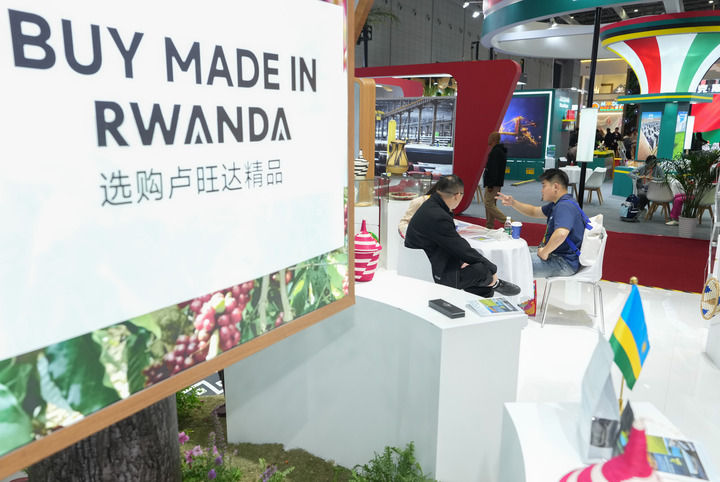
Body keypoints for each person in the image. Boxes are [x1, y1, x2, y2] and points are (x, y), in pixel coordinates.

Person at [405, 175, 521, 297]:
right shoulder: (438, 216)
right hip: (434, 267)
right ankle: (495, 283)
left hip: (433, 256)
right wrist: (491, 269)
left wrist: (463, 261)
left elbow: (451, 243)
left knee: (477, 271)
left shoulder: (432, 204)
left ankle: (486, 292)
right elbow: (459, 246)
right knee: (482, 270)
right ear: (457, 195)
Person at [496, 169, 587, 278]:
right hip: (558, 255)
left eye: (544, 186)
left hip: (563, 262)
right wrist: (513, 203)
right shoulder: (559, 204)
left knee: (511, 263)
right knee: (515, 252)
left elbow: (561, 233)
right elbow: (534, 211)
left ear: (556, 187)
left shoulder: (564, 206)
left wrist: (545, 252)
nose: (542, 190)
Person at [482, 131, 508, 228]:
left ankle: (508, 222)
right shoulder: (500, 151)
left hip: (493, 184)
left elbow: (493, 170)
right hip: (497, 183)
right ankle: (489, 225)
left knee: (489, 204)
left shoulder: (495, 152)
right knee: (491, 204)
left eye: (489, 138)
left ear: (493, 139)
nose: (488, 139)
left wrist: (490, 184)